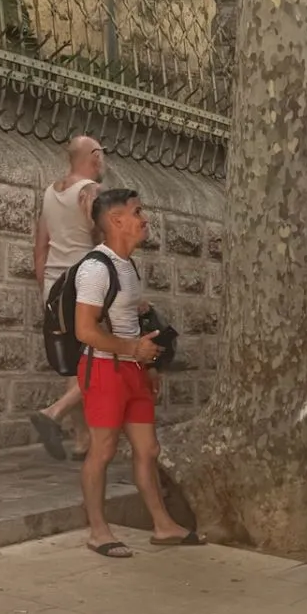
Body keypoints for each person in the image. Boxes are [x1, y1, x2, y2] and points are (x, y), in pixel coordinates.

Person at [75, 189, 201, 557]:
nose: (145, 218)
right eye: (137, 212)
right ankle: (98, 531)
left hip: (131, 370)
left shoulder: (127, 264)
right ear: (116, 221)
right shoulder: (95, 268)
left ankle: (163, 527)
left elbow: (128, 323)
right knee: (103, 449)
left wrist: (145, 366)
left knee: (148, 449)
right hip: (102, 368)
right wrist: (134, 351)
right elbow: (85, 330)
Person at [30, 135, 104, 459]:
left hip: (53, 286)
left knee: (76, 364)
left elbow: (41, 246)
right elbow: (101, 239)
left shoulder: (50, 193)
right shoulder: (91, 191)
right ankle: (53, 413)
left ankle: (81, 441)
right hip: (84, 283)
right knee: (101, 361)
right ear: (95, 156)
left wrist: (44, 289)